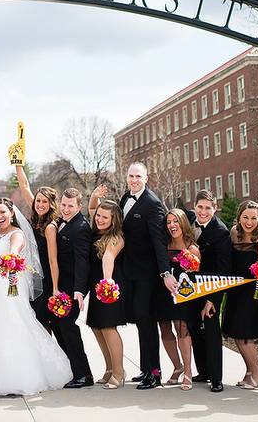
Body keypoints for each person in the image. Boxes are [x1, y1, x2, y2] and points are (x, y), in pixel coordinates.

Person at [0, 198, 72, 395]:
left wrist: (11, 278)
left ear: (12, 214)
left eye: (3, 213)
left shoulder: (16, 234)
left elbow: (13, 255)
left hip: (7, 287)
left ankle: (11, 377)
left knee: (8, 329)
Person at [97, 162, 171, 389]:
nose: (134, 179)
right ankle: (145, 368)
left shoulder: (153, 204)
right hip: (131, 271)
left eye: (138, 176)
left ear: (146, 178)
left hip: (147, 274)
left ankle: (155, 373)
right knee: (140, 321)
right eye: (131, 176)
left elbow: (159, 242)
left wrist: (165, 272)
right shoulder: (124, 199)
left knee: (146, 321)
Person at [222, 200, 258, 389]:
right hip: (236, 290)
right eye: (245, 217)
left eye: (253, 218)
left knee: (244, 334)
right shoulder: (234, 233)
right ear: (239, 217)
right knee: (236, 333)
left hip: (253, 293)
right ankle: (250, 371)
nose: (249, 222)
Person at [186, 188, 232, 392]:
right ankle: (203, 370)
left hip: (212, 289)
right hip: (191, 287)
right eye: (199, 207)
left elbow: (224, 270)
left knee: (212, 332)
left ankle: (216, 378)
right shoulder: (188, 224)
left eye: (207, 208)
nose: (203, 212)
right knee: (194, 328)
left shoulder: (221, 232)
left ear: (215, 208)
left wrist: (212, 299)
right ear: (194, 207)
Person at [51, 187, 93, 388]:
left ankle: (83, 375)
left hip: (73, 289)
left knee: (69, 327)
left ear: (79, 206)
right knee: (61, 327)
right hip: (63, 287)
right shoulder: (61, 222)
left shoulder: (81, 227)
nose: (66, 209)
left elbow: (82, 261)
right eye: (64, 205)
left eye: (70, 206)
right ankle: (77, 371)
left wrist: (79, 290)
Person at [156, 208, 199, 391]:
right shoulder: (163, 245)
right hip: (162, 292)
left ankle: (188, 371)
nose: (172, 225)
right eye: (169, 222)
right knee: (165, 329)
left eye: (175, 221)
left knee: (182, 329)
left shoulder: (192, 248)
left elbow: (196, 276)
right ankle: (177, 366)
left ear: (183, 223)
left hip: (184, 295)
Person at [86, 200, 127, 389]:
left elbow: (108, 257)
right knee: (97, 327)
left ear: (114, 219)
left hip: (109, 288)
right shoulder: (96, 232)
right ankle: (109, 368)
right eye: (98, 216)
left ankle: (119, 372)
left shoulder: (116, 237)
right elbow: (92, 207)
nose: (100, 219)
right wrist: (94, 195)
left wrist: (107, 281)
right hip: (97, 287)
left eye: (105, 217)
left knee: (108, 327)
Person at [14, 164, 60, 330]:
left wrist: (55, 288)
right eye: (38, 200)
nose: (40, 204)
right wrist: (18, 164)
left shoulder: (50, 227)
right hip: (32, 275)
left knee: (42, 321)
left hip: (46, 278)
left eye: (44, 202)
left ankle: (48, 355)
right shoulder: (35, 217)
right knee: (32, 321)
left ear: (51, 204)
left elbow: (53, 259)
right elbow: (24, 186)